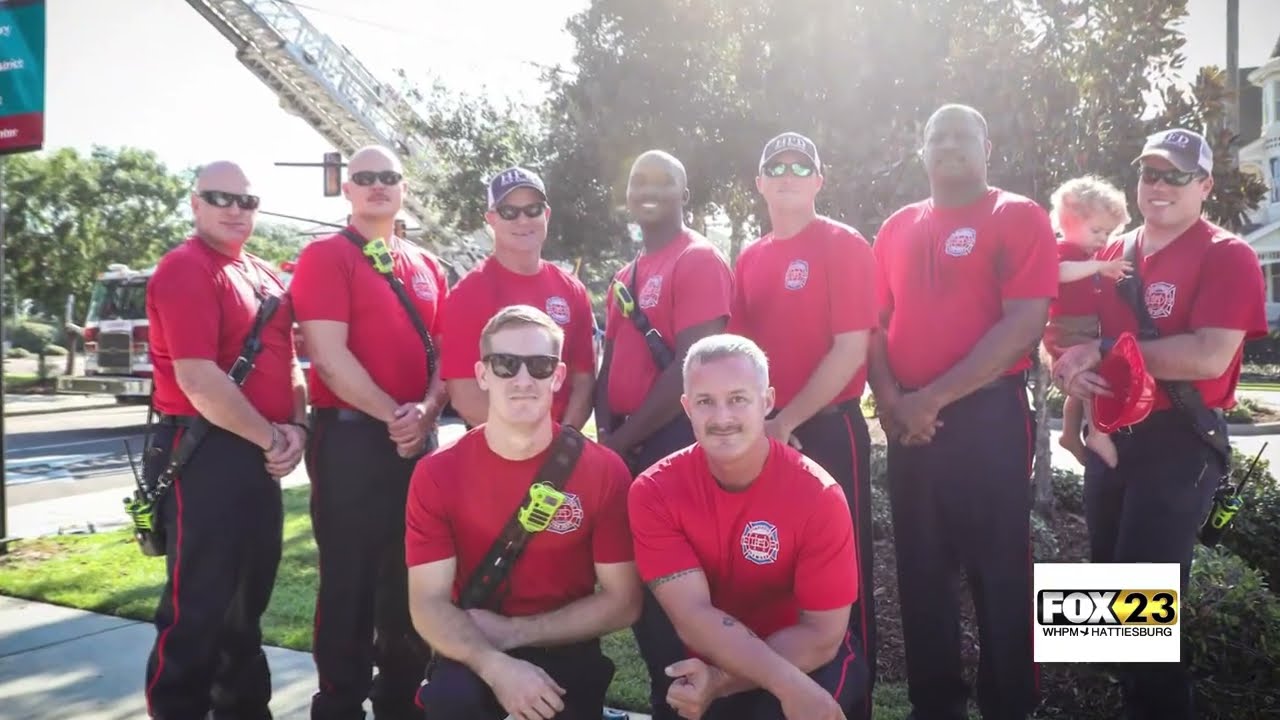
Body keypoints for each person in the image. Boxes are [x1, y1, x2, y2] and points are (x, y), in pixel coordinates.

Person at [1052, 128, 1267, 720]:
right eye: (1150, 174)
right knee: (1106, 600)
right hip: (1109, 436)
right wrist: (1067, 366)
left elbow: (1207, 355)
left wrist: (1100, 350)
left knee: (1143, 599)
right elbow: (1069, 334)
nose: (1160, 186)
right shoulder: (1111, 253)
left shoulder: (1229, 255)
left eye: (1176, 175)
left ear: (1205, 185)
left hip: (1180, 441)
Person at [867, 104, 1056, 720]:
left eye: (961, 135)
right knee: (920, 571)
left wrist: (930, 399)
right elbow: (875, 325)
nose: (947, 145)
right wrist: (893, 402)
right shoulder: (896, 227)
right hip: (909, 423)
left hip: (987, 417)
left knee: (998, 569)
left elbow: (1025, 322)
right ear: (920, 152)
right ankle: (935, 705)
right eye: (935, 136)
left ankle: (1010, 705)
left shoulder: (1016, 215)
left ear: (987, 147)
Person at [406, 304, 643, 720]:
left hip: (566, 645)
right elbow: (427, 601)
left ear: (558, 376)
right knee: (453, 700)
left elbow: (624, 601)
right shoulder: (437, 473)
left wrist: (517, 633)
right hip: (473, 644)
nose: (522, 379)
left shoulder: (603, 471)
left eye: (539, 365)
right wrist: (497, 667)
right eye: (505, 364)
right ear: (482, 374)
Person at [628, 333, 867, 720]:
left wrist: (727, 681)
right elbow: (693, 616)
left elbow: (823, 636)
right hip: (708, 657)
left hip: (803, 659)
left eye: (738, 399)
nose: (722, 418)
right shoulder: (654, 491)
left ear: (767, 401)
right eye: (706, 402)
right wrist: (719, 680)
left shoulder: (819, 494)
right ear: (687, 408)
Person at [143, 160, 308, 719]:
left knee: (245, 607)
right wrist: (271, 437)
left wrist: (298, 429)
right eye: (221, 198)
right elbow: (199, 380)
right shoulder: (185, 268)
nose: (237, 209)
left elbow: (289, 364)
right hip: (203, 452)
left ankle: (242, 709)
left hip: (258, 455)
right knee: (198, 609)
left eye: (247, 201)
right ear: (196, 204)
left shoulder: (262, 274)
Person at [290, 145, 446, 720]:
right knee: (349, 582)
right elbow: (329, 359)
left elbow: (443, 355)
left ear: (402, 188)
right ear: (347, 189)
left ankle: (402, 699)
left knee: (411, 577)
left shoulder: (428, 265)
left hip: (416, 440)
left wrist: (427, 412)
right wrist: (395, 415)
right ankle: (339, 703)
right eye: (364, 178)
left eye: (388, 177)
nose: (377, 186)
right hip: (352, 442)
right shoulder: (325, 257)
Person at [727, 131, 879, 712]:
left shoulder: (843, 245)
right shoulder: (751, 257)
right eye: (776, 166)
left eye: (801, 165)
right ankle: (775, 694)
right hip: (763, 435)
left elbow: (849, 350)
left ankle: (850, 698)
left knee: (843, 576)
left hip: (825, 429)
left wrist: (784, 419)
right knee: (771, 565)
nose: (788, 173)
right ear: (761, 182)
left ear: (819, 179)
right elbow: (737, 353)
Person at [594, 149, 734, 719]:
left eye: (664, 181)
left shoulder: (697, 260)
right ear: (627, 197)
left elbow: (690, 366)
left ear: (685, 194)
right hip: (630, 448)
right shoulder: (625, 276)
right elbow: (610, 365)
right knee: (650, 600)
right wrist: (607, 436)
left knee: (683, 601)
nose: (649, 189)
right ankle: (667, 705)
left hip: (676, 444)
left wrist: (621, 446)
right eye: (639, 180)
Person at [438, 166, 596, 429]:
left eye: (532, 210)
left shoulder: (572, 291)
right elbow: (464, 392)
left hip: (561, 450)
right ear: (491, 219)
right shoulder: (467, 294)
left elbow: (584, 380)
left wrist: (562, 441)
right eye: (509, 212)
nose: (523, 220)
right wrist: (521, 443)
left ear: (546, 214)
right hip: (495, 450)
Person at [1044, 176, 1133, 468]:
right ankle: (1097, 433)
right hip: (1068, 326)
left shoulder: (1086, 255)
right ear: (1068, 221)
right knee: (1093, 376)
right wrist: (1099, 266)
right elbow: (1059, 273)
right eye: (1096, 230)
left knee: (1081, 385)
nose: (1102, 239)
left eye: (1107, 232)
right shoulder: (1063, 249)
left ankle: (1070, 434)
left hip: (1081, 326)